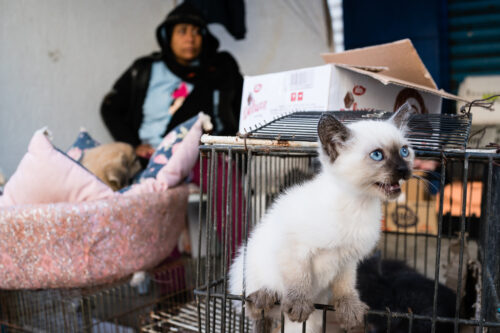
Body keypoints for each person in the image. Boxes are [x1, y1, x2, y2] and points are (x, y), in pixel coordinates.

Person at [101, 3, 243, 160]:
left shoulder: (218, 71)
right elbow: (110, 108)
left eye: (197, 32)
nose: (190, 38)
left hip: (199, 159)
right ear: (167, 36)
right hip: (149, 158)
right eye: (182, 31)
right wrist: (133, 145)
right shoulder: (145, 69)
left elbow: (242, 109)